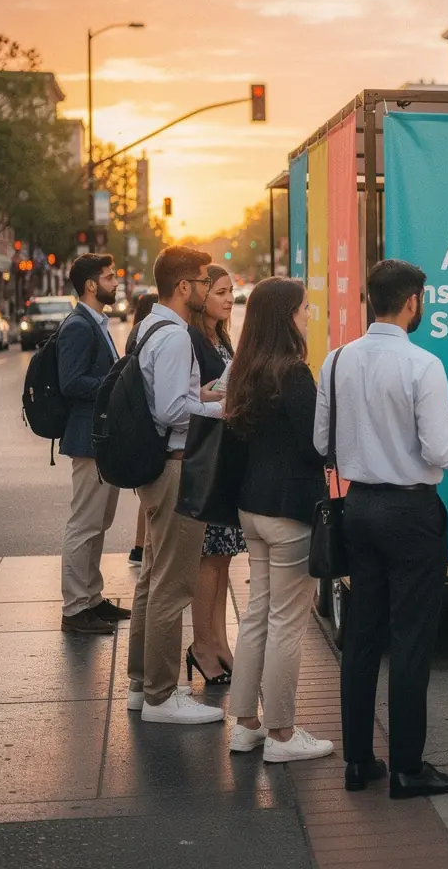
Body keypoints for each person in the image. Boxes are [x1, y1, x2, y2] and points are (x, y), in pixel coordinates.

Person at [315, 259, 448, 799]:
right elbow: (437, 449)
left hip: (357, 507)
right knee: (411, 639)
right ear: (412, 302)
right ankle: (408, 766)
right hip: (411, 512)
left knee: (361, 638)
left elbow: (322, 444)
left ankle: (358, 761)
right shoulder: (423, 364)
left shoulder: (336, 361)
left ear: (369, 298)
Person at [227, 277, 334, 764]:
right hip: (291, 510)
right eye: (304, 309)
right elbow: (318, 445)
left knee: (256, 617)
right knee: (287, 623)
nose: (309, 315)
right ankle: (283, 734)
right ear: (286, 316)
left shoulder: (246, 367)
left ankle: (246, 724)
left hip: (252, 505)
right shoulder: (292, 372)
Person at [127, 246, 226, 724]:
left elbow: (171, 397)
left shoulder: (150, 326)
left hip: (156, 466)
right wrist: (220, 409)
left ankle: (140, 683)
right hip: (174, 464)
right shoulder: (176, 337)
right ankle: (163, 697)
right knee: (174, 583)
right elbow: (170, 410)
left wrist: (201, 395)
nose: (208, 288)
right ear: (184, 286)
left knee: (152, 578)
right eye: (204, 281)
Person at [57, 253, 128, 634]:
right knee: (84, 523)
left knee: (99, 522)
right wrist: (114, 385)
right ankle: (74, 608)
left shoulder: (96, 322)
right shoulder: (79, 326)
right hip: (87, 441)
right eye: (109, 277)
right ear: (90, 285)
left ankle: (92, 598)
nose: (116, 282)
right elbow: (70, 382)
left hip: (101, 439)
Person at [187, 265, 245, 687]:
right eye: (220, 292)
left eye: (230, 292)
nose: (227, 299)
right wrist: (214, 393)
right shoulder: (190, 339)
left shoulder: (221, 337)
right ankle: (201, 646)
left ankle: (221, 641)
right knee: (208, 560)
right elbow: (188, 398)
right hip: (204, 459)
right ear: (201, 294)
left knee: (223, 559)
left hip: (226, 456)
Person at [126, 291, 158, 567]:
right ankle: (142, 548)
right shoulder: (156, 335)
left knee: (145, 499)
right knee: (150, 501)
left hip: (138, 428)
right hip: (149, 431)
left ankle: (139, 548)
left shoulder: (137, 333)